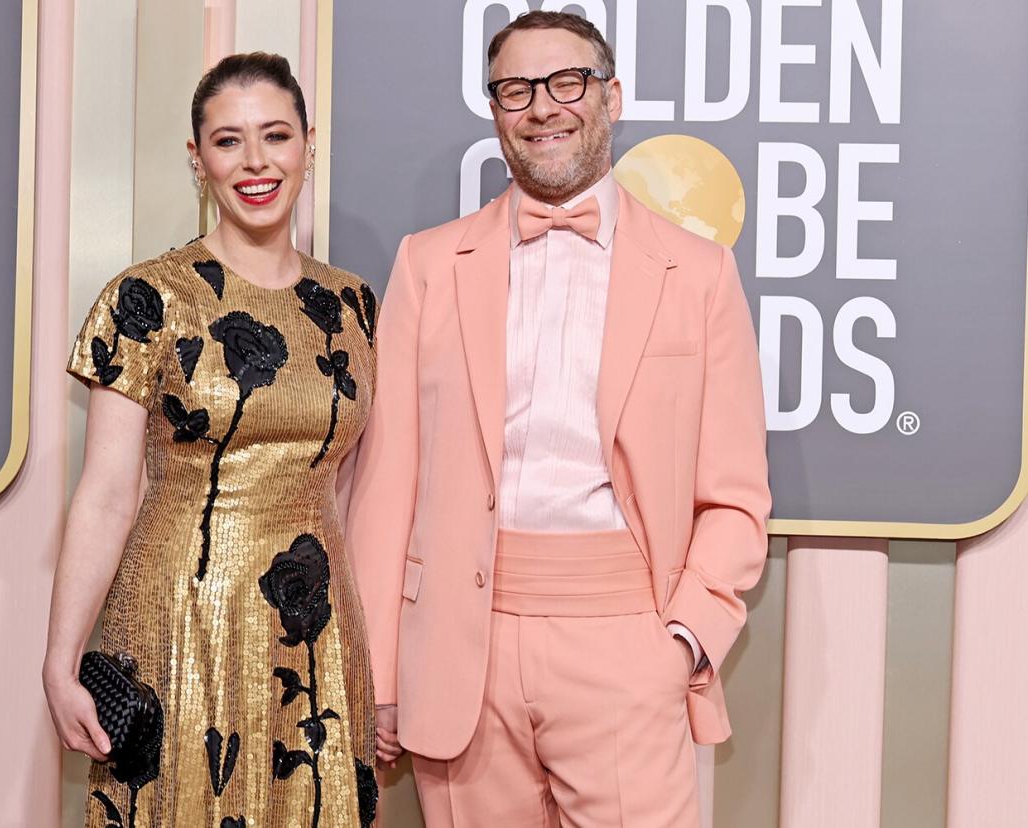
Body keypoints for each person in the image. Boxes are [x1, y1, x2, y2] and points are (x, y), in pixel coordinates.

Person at [347, 11, 770, 827]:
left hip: (624, 636)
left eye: (566, 82)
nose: (542, 107)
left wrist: (678, 639)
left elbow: (736, 495)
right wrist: (383, 673)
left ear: (610, 96)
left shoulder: (701, 275)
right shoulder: (427, 264)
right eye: (516, 89)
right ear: (497, 111)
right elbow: (387, 484)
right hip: (458, 646)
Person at [44, 52, 380, 828]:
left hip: (315, 633)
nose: (256, 161)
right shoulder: (146, 297)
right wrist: (61, 660)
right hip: (179, 619)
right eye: (229, 142)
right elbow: (105, 493)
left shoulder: (353, 304)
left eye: (276, 136)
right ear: (198, 160)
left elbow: (360, 486)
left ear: (308, 145)